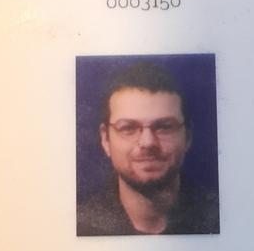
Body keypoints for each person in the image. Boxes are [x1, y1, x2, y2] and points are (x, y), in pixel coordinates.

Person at [77, 61, 219, 236]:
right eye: (128, 128)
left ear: (187, 137)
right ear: (106, 139)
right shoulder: (79, 225)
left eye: (164, 127)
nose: (148, 143)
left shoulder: (219, 218)